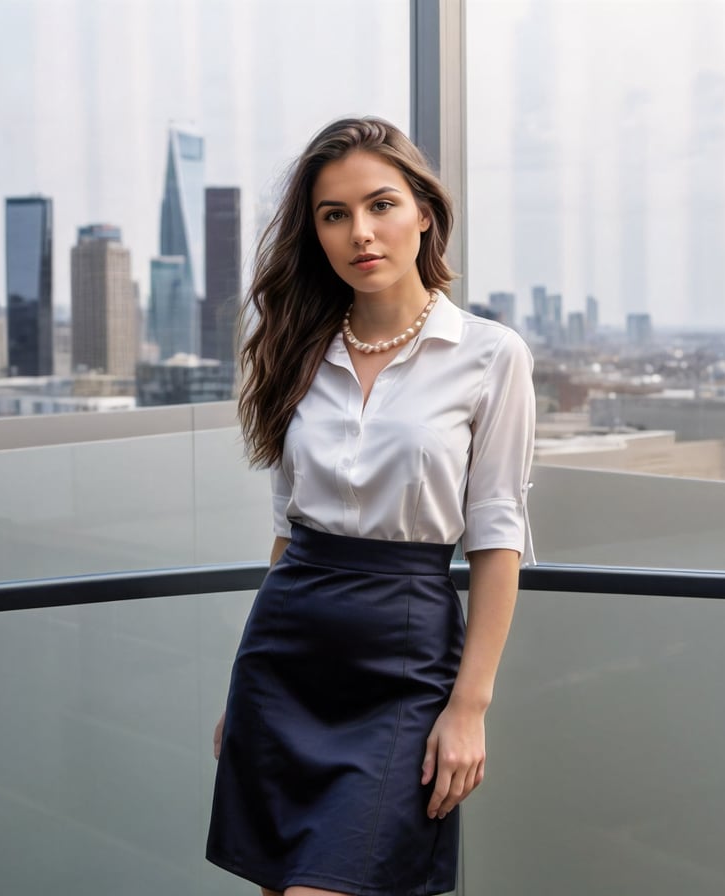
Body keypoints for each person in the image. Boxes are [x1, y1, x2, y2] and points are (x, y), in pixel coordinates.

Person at [206, 116, 535, 896]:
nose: (361, 232)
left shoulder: (491, 356)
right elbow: (288, 533)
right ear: (315, 233)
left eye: (381, 205)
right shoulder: (296, 350)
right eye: (334, 215)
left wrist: (469, 707)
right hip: (284, 660)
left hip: (405, 660)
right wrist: (241, 691)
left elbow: (497, 534)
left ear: (424, 211)